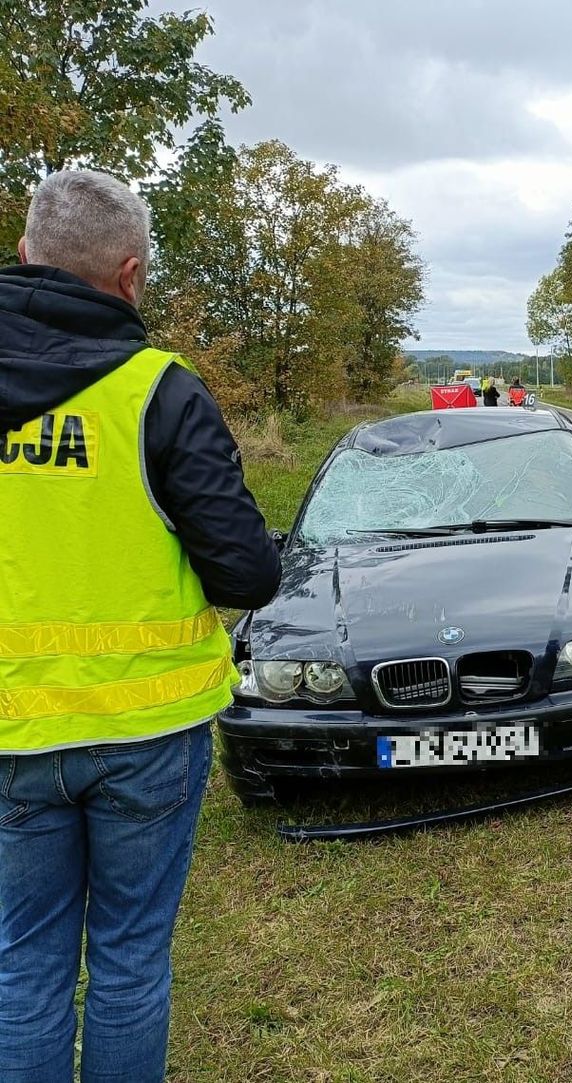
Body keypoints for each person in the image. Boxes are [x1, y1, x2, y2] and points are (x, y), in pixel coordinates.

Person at [0, 171, 282, 1083]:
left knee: (23, 963)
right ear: (129, 276)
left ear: (25, 255)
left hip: (9, 735)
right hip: (148, 737)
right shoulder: (161, 392)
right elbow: (248, 570)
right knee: (126, 962)